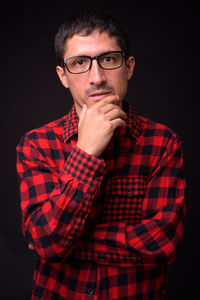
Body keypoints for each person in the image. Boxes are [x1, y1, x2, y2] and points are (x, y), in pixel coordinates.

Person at [16, 10, 186, 300]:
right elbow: (46, 242)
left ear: (128, 67)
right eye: (79, 63)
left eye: (108, 59)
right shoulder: (38, 144)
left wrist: (65, 244)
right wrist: (86, 152)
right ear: (63, 76)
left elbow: (162, 244)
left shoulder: (163, 143)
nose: (97, 77)